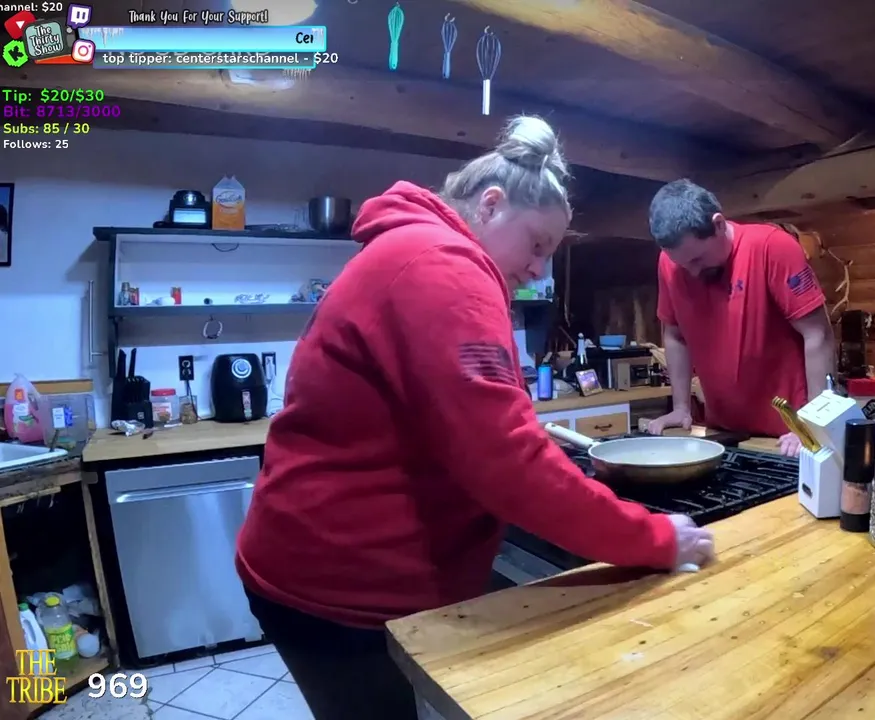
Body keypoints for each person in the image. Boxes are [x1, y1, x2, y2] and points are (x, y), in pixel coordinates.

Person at [236, 116, 715, 720]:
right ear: (490, 206)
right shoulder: (444, 265)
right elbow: (507, 462)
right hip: (344, 583)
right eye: (537, 245)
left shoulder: (413, 249)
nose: (539, 268)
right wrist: (655, 538)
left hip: (320, 566)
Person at [642, 179, 836, 457]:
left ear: (719, 224)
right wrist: (681, 407)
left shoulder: (772, 247)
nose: (692, 272)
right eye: (682, 264)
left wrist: (813, 424)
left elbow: (818, 334)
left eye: (697, 260)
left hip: (788, 437)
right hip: (723, 433)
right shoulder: (669, 264)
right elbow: (675, 335)